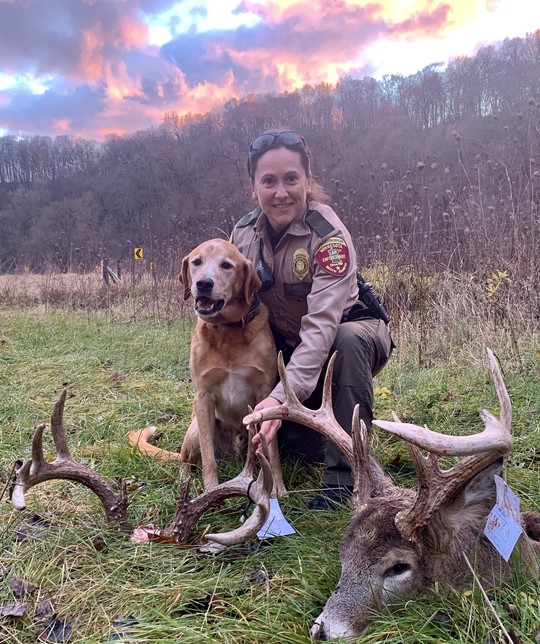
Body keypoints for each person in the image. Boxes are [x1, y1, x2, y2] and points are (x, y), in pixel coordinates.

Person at [230, 129, 393, 509]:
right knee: (294, 450)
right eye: (268, 181)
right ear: (254, 186)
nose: (280, 192)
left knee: (345, 340)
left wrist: (277, 397)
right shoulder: (241, 235)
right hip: (288, 346)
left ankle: (346, 476)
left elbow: (321, 330)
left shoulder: (328, 236)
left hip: (349, 332)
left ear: (307, 180)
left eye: (291, 179)